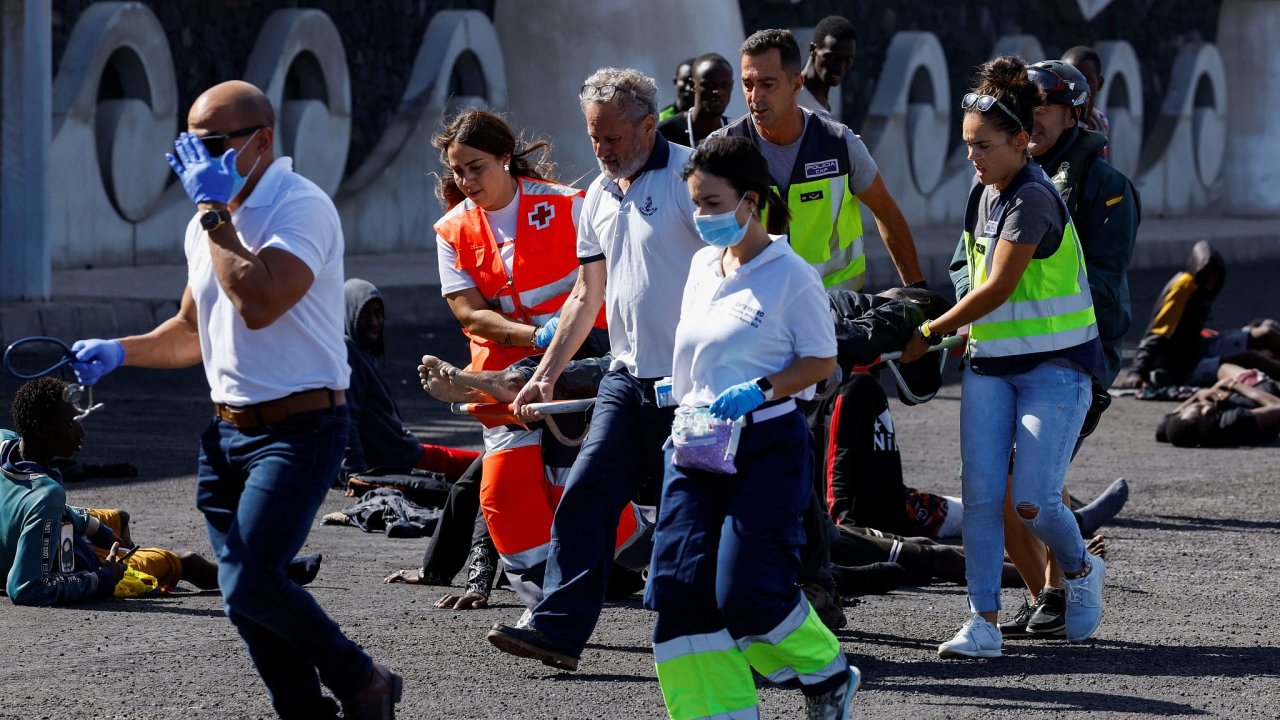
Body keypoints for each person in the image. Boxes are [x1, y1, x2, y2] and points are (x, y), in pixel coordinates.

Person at [69, 81, 399, 719]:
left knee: (251, 580)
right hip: (227, 436)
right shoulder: (207, 221)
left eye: (215, 144)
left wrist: (215, 214)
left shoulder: (299, 207)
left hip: (302, 427)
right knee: (240, 593)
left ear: (262, 141)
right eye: (191, 145)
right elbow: (190, 332)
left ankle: (364, 680)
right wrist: (118, 348)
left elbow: (259, 300)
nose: (200, 159)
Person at [486, 66, 704, 671]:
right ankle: (557, 630)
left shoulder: (694, 176)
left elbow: (738, 266)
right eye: (593, 137)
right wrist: (547, 373)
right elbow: (587, 295)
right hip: (625, 379)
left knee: (697, 514)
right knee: (585, 494)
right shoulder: (602, 195)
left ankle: (750, 629)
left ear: (645, 125)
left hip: (692, 386)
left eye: (611, 137)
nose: (601, 150)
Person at [901, 56, 1107, 659]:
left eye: (984, 146)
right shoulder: (983, 190)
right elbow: (975, 281)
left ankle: (1078, 569)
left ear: (1022, 142)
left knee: (1035, 500)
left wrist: (933, 332)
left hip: (1056, 369)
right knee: (984, 494)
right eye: (967, 146)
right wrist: (962, 331)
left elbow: (999, 287)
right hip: (991, 366)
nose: (974, 158)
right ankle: (983, 621)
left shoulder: (1033, 199)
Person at [645, 136, 858, 719]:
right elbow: (702, 342)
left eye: (714, 203)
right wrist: (682, 383)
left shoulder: (792, 275)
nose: (703, 217)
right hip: (696, 441)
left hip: (765, 444)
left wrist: (760, 389)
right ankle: (717, 714)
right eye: (696, 203)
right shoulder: (700, 265)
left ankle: (826, 673)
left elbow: (821, 363)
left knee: (745, 592)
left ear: (751, 201)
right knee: (678, 587)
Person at [432, 109, 637, 611]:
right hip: (503, 372)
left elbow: (612, 280)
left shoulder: (570, 205)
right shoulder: (451, 229)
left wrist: (562, 338)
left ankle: (618, 563)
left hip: (585, 359)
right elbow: (469, 313)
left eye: (476, 167)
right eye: (458, 171)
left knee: (577, 486)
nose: (466, 181)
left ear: (506, 158)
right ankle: (549, 600)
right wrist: (538, 335)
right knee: (503, 494)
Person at [966, 58, 1139, 639]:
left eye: (1046, 106)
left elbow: (1105, 286)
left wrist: (1088, 359)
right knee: (1014, 484)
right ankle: (1048, 593)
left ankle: (1069, 580)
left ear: (1073, 114)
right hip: (999, 350)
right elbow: (967, 262)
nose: (1035, 116)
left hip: (1068, 357)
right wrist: (973, 307)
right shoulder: (989, 180)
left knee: (1030, 482)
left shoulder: (1105, 188)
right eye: (1028, 104)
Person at [1, 377, 322, 601]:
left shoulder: (5, 441)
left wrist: (93, 526)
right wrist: (102, 579)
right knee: (186, 561)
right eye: (71, 423)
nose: (80, 431)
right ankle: (266, 574)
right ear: (40, 429)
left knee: (109, 523)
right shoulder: (46, 497)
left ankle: (113, 535)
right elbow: (27, 588)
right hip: (60, 558)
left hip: (45, 530)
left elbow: (36, 507)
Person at [716, 28, 923, 291]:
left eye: (767, 84)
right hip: (757, 307)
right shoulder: (723, 150)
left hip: (834, 309)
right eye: (748, 84)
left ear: (796, 84)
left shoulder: (839, 143)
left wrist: (918, 290)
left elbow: (887, 212)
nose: (755, 97)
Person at [343, 278, 479, 477]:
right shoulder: (348, 352)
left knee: (479, 463)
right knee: (481, 466)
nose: (374, 322)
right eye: (364, 314)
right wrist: (354, 473)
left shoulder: (360, 354)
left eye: (378, 314)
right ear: (347, 314)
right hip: (396, 459)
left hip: (401, 449)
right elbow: (346, 418)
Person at [1118, 242, 1280, 389]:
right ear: (1197, 269)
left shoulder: (1200, 290)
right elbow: (1158, 332)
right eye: (1207, 273)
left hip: (1199, 347)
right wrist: (1137, 371)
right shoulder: (1184, 286)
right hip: (1180, 367)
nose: (1211, 279)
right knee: (1250, 359)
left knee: (1266, 333)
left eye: (1215, 274)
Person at [1157, 363, 1280, 447]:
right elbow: (1277, 407)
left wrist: (1199, 395)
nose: (1206, 407)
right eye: (1202, 412)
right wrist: (1233, 385)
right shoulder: (1235, 420)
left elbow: (1171, 420)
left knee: (1223, 369)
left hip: (1242, 397)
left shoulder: (1186, 429)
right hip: (1264, 393)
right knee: (1227, 369)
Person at [657, 53, 733, 147]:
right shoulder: (665, 133)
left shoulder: (739, 131)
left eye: (724, 84)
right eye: (709, 85)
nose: (717, 92)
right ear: (692, 85)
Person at [798, 15, 857, 118]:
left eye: (848, 60)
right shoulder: (790, 97)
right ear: (813, 49)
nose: (839, 68)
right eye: (832, 57)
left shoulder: (826, 105)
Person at [1062, 46, 1109, 148]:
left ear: (1100, 83)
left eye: (1087, 80)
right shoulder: (1059, 127)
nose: (1079, 87)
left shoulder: (1100, 121)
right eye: (1071, 80)